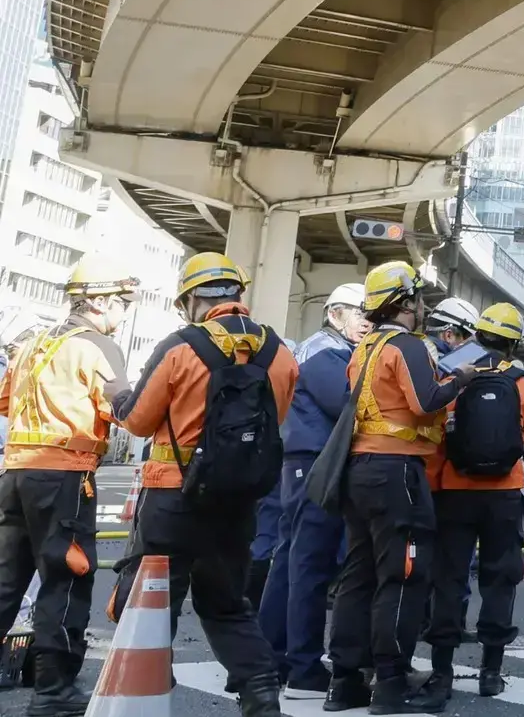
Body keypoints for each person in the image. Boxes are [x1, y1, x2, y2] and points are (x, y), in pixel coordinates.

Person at [117, 252, 298, 717]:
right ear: (239, 294)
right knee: (227, 603)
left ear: (192, 299)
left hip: (172, 494)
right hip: (237, 501)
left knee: (151, 604)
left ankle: (144, 693)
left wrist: (118, 399)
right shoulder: (279, 353)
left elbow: (137, 421)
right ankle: (260, 690)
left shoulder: (180, 346)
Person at [324, 261, 474, 715]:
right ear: (405, 302)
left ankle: (344, 681)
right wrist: (462, 379)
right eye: (419, 298)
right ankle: (390, 683)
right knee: (404, 576)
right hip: (397, 474)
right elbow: (427, 400)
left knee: (358, 574)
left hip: (359, 470)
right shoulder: (404, 345)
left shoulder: (364, 347)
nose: (423, 305)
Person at [0, 255, 136, 717]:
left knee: (6, 581)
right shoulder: (96, 345)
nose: (122, 312)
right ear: (98, 301)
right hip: (63, 477)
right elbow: (125, 410)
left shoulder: (33, 343)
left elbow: (5, 402)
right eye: (120, 303)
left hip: (15, 473)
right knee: (66, 578)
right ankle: (53, 690)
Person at [422, 303, 524, 702]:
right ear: (513, 344)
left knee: (449, 580)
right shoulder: (522, 383)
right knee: (500, 578)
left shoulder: (456, 377)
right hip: (504, 494)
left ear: (478, 335)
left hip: (455, 491)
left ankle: (441, 673)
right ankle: (491, 672)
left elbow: (436, 425)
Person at [259, 281, 368, 695]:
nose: (365, 322)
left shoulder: (321, 349)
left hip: (304, 465)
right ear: (334, 313)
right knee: (310, 565)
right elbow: (349, 405)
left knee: (291, 561)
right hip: (316, 465)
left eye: (369, 315)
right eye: (358, 313)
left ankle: (272, 656)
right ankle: (303, 667)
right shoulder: (326, 352)